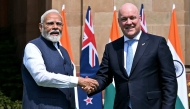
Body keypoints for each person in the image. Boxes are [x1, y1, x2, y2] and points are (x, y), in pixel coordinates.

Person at [85, 3, 178, 109]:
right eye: (124, 19)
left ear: (139, 18)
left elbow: (169, 80)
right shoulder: (111, 48)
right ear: (119, 22)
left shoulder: (157, 43)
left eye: (132, 18)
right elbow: (104, 76)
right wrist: (92, 85)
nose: (129, 22)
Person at [21, 9, 98, 109]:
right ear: (41, 27)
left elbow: (70, 81)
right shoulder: (32, 47)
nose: (55, 27)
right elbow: (41, 77)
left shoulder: (63, 50)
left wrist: (84, 84)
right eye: (50, 23)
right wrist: (77, 81)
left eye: (58, 24)